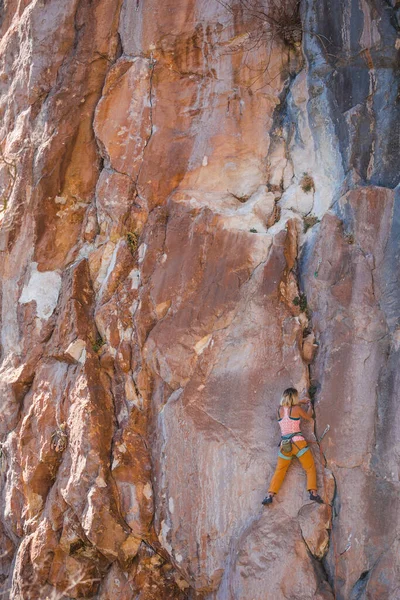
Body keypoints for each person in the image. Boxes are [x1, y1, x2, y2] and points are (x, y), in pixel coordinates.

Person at [262, 387, 323, 505]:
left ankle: (270, 495)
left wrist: (300, 401)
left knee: (280, 470)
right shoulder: (296, 409)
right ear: (294, 398)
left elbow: (286, 405)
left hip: (285, 445)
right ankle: (313, 493)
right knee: (309, 467)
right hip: (298, 442)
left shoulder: (278, 410)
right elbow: (308, 416)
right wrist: (310, 406)